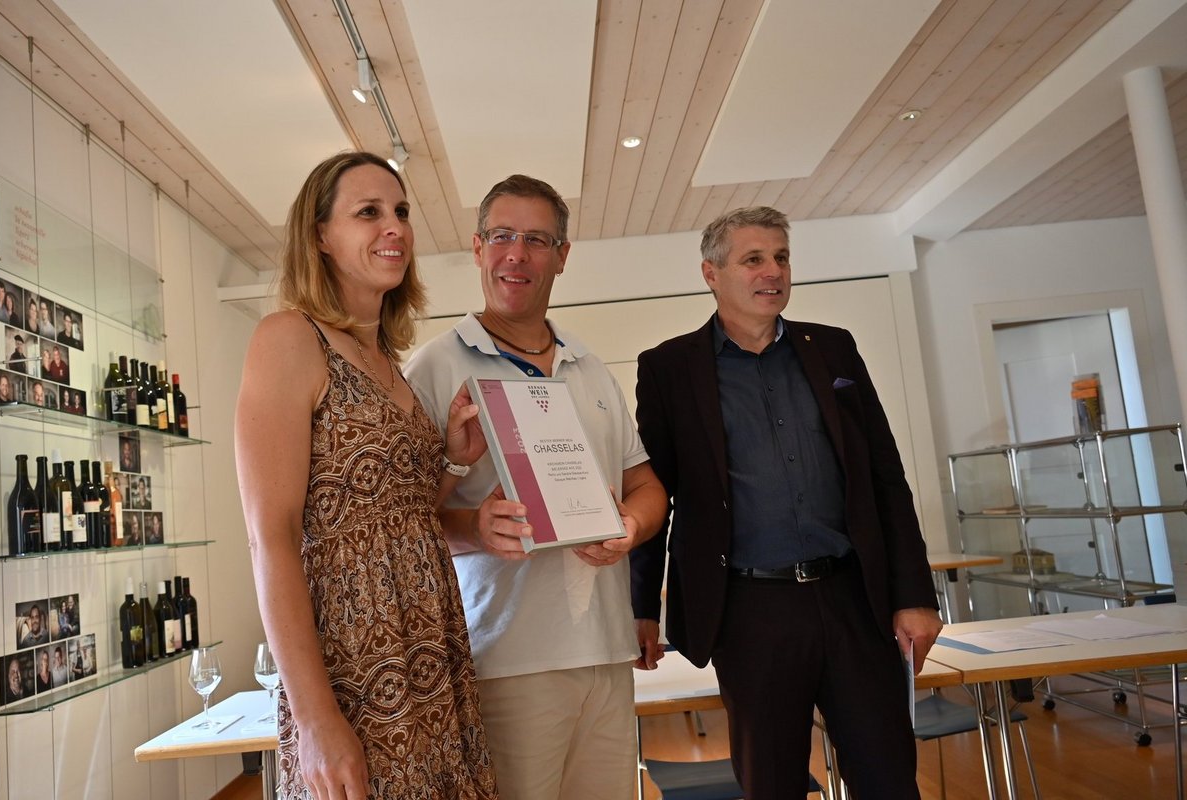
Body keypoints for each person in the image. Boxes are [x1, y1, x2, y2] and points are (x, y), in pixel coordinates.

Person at [629, 206, 942, 799]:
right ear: (711, 273)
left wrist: (915, 596)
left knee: (888, 777)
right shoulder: (668, 369)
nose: (772, 271)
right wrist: (640, 606)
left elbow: (885, 479)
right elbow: (653, 492)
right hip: (750, 611)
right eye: (753, 259)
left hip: (854, 600)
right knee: (771, 784)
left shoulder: (834, 350)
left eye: (781, 257)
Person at [236, 151, 497, 800]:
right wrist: (315, 718)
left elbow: (400, 517)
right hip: (354, 662)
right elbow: (271, 538)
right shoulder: (289, 338)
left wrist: (453, 459)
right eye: (368, 212)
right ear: (320, 235)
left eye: (401, 212)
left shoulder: (386, 360)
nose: (395, 228)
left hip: (431, 650)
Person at [404, 174, 668, 800]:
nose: (516, 254)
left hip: (605, 649)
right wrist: (475, 529)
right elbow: (403, 520)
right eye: (501, 236)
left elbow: (646, 485)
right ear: (478, 248)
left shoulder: (589, 366)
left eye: (536, 240)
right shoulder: (435, 367)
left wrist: (631, 527)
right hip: (507, 657)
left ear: (562, 256)